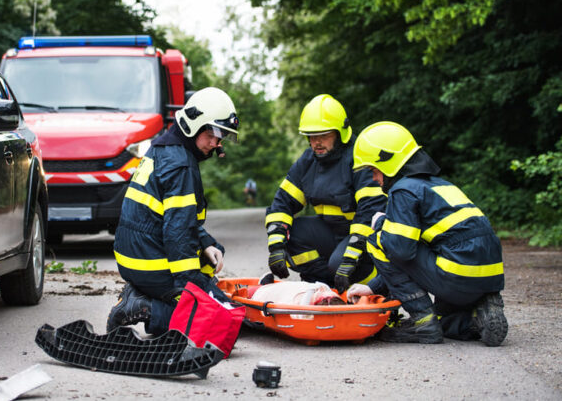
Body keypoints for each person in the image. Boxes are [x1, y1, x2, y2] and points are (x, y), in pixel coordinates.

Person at [348, 121, 507, 346]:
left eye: (374, 170)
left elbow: (399, 252)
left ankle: (423, 323)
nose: (374, 178)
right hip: (488, 275)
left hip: (457, 272)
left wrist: (383, 224)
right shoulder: (440, 186)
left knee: (378, 239)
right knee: (445, 321)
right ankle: (478, 315)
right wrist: (371, 287)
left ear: (388, 162)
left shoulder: (403, 190)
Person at [107, 87, 239, 334]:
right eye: (214, 133)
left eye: (222, 136)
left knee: (212, 256)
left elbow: (175, 218)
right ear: (194, 125)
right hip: (149, 260)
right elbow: (177, 233)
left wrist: (206, 243)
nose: (217, 143)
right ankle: (143, 306)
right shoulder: (181, 165)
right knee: (222, 324)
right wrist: (189, 287)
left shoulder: (166, 147)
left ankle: (145, 293)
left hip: (137, 255)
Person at [264, 94, 387, 293]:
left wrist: (351, 256)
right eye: (312, 136)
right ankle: (327, 286)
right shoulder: (308, 162)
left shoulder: (360, 157)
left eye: (324, 135)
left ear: (340, 133)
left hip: (365, 238)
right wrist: (276, 247)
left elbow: (370, 212)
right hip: (332, 232)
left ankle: (378, 288)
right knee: (291, 235)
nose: (317, 142)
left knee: (340, 263)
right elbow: (282, 203)